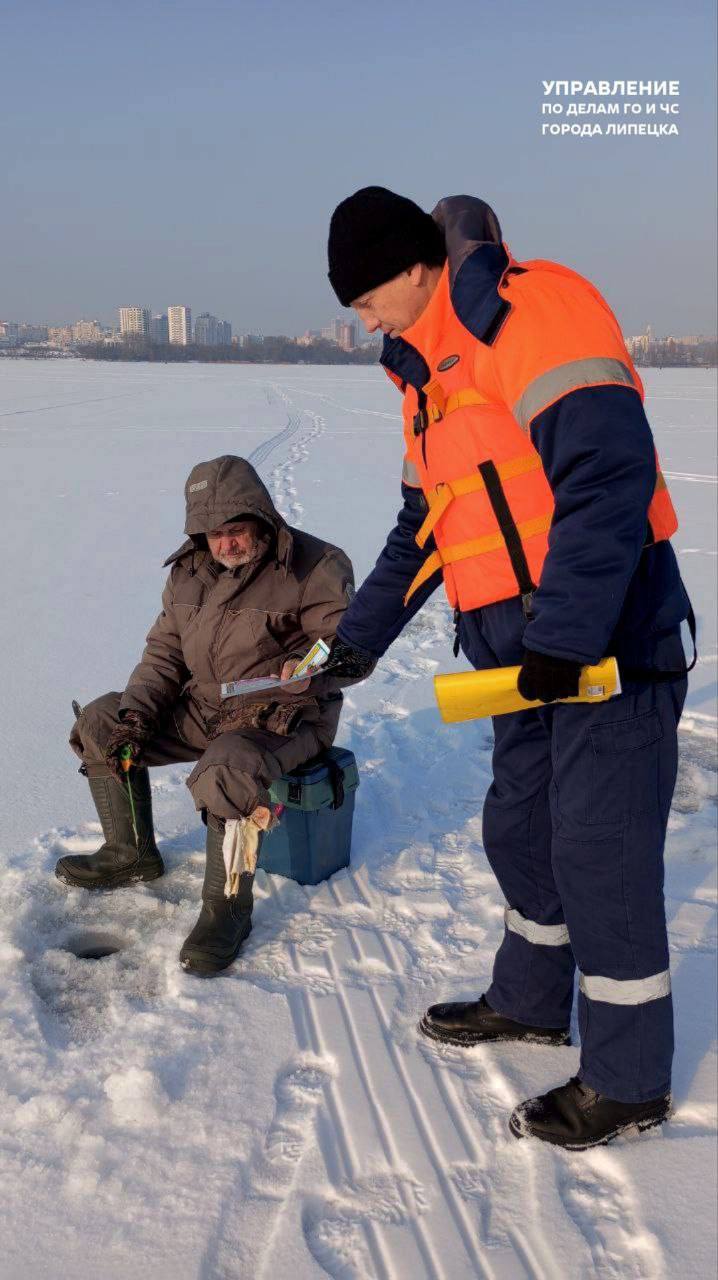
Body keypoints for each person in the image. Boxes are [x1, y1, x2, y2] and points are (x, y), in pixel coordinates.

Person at [325, 186, 694, 1150]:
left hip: (609, 643)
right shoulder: (426, 381)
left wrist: (565, 637)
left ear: (416, 268)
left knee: (599, 852)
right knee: (522, 829)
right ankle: (531, 1001)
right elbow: (424, 529)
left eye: (367, 298)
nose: (364, 321)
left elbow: (606, 474)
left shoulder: (528, 310)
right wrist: (356, 642)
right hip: (524, 662)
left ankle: (628, 1081)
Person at [60, 454, 354, 977]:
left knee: (227, 768)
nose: (226, 545)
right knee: (102, 723)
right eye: (214, 534)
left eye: (236, 530)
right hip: (207, 706)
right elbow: (163, 656)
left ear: (261, 518)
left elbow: (347, 647)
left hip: (287, 712)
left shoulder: (316, 566)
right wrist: (135, 719)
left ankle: (227, 910)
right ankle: (130, 854)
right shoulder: (189, 572)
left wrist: (310, 668)